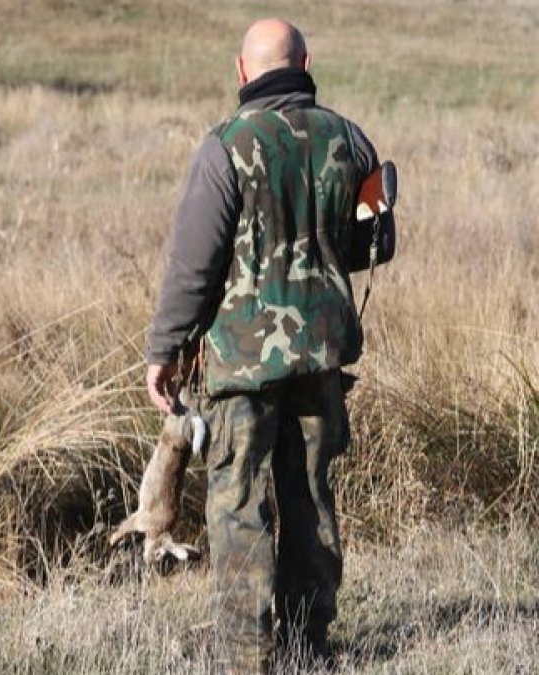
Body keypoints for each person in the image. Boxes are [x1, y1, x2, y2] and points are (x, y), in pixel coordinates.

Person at [144, 18, 382, 674]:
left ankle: (246, 655)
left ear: (243, 72)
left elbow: (194, 265)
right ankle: (309, 644)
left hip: (240, 363)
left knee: (239, 503)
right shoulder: (351, 141)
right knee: (310, 498)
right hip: (322, 356)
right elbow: (375, 243)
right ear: (305, 63)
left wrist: (165, 348)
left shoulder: (224, 147)